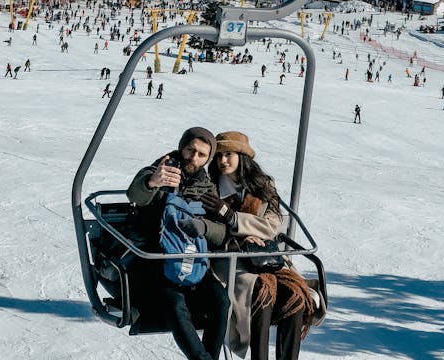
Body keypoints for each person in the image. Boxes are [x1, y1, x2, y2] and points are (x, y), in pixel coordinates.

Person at [207, 131, 317, 360]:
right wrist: (241, 234)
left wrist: (235, 219)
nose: (223, 161)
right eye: (219, 156)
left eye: (228, 155)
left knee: (294, 294)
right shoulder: (213, 188)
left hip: (264, 254)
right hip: (231, 258)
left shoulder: (262, 185)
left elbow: (273, 223)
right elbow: (211, 227)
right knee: (260, 290)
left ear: (242, 156)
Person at [127, 127, 230, 359]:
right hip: (156, 262)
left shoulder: (207, 187)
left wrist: (205, 227)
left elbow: (221, 232)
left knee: (221, 301)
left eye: (201, 154)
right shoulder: (160, 169)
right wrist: (152, 183)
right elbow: (135, 195)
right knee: (175, 303)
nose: (194, 158)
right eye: (190, 150)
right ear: (182, 147)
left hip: (193, 262)